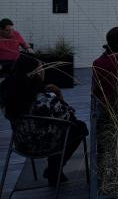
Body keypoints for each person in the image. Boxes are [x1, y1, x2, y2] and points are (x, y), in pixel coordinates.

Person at [0, 55, 88, 186]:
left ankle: (54, 169)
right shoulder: (45, 99)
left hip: (22, 144)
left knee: (63, 128)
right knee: (79, 127)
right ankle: (55, 168)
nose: (43, 71)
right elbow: (69, 115)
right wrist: (59, 95)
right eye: (41, 69)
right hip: (46, 146)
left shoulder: (8, 98)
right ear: (35, 74)